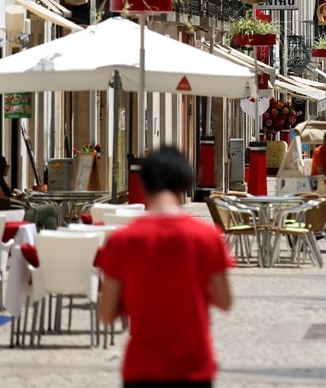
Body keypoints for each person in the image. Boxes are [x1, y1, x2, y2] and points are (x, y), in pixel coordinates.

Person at [98, 146, 233, 386]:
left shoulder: (122, 241)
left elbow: (107, 314)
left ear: (144, 184)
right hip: (194, 365)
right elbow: (224, 301)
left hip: (142, 368)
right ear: (184, 184)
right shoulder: (207, 237)